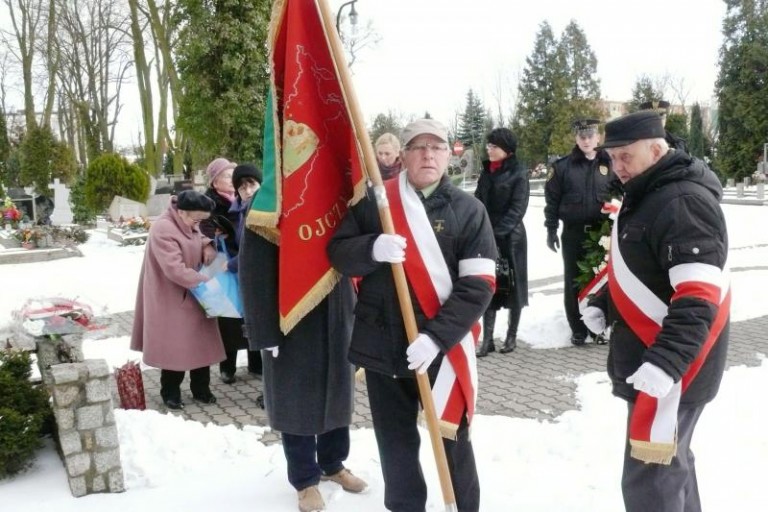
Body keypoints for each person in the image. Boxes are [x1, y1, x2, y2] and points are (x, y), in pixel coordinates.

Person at [328, 119, 497, 512]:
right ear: (402, 155)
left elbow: (480, 286)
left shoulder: (469, 211)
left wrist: (436, 337)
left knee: (452, 438)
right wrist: (371, 248)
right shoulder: (377, 203)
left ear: (448, 155)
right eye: (418, 147)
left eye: (436, 147)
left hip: (442, 350)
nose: (427, 154)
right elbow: (337, 252)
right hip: (382, 346)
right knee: (395, 444)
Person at [581, 110, 730, 512]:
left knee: (652, 479)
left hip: (675, 369)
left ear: (656, 148)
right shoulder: (650, 193)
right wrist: (606, 303)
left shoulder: (682, 201)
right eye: (611, 158)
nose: (618, 167)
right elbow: (651, 271)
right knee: (670, 466)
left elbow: (698, 295)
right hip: (658, 362)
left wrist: (665, 364)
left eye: (625, 156)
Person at [238, 223, 367, 511]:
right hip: (291, 315)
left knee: (338, 391)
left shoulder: (337, 189)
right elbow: (254, 268)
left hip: (337, 306)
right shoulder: (272, 195)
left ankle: (333, 464)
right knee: (296, 399)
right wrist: (263, 329)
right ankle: (305, 478)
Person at [130, 190, 224, 410]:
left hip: (195, 292)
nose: (198, 223)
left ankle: (201, 389)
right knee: (177, 347)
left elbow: (195, 233)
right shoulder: (163, 228)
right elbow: (174, 269)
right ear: (181, 211)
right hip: (171, 296)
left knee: (201, 345)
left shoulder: (187, 219)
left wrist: (207, 243)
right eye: (196, 219)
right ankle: (170, 392)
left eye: (201, 220)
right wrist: (206, 281)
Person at [544, 118, 614, 346]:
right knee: (573, 281)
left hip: (602, 234)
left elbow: (621, 195)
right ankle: (577, 328)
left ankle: (597, 327)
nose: (586, 140)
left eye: (590, 136)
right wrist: (551, 229)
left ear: (598, 138)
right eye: (581, 136)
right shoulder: (562, 167)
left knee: (599, 280)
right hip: (573, 234)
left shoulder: (610, 164)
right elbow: (552, 201)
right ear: (576, 138)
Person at [200, 157, 262, 384]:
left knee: (251, 314)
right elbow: (202, 228)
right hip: (224, 264)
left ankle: (257, 362)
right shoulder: (210, 202)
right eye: (227, 175)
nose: (232, 180)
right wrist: (211, 240)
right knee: (229, 316)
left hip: (243, 263)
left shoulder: (243, 202)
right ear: (215, 181)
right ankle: (228, 366)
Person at [474, 127, 529, 356]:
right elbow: (478, 201)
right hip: (488, 234)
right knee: (491, 284)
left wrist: (497, 232)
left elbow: (518, 208)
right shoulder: (487, 172)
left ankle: (511, 336)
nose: (489, 149)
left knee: (513, 286)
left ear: (506, 150)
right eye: (488, 145)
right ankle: (487, 340)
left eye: (493, 146)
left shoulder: (519, 172)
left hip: (512, 237)